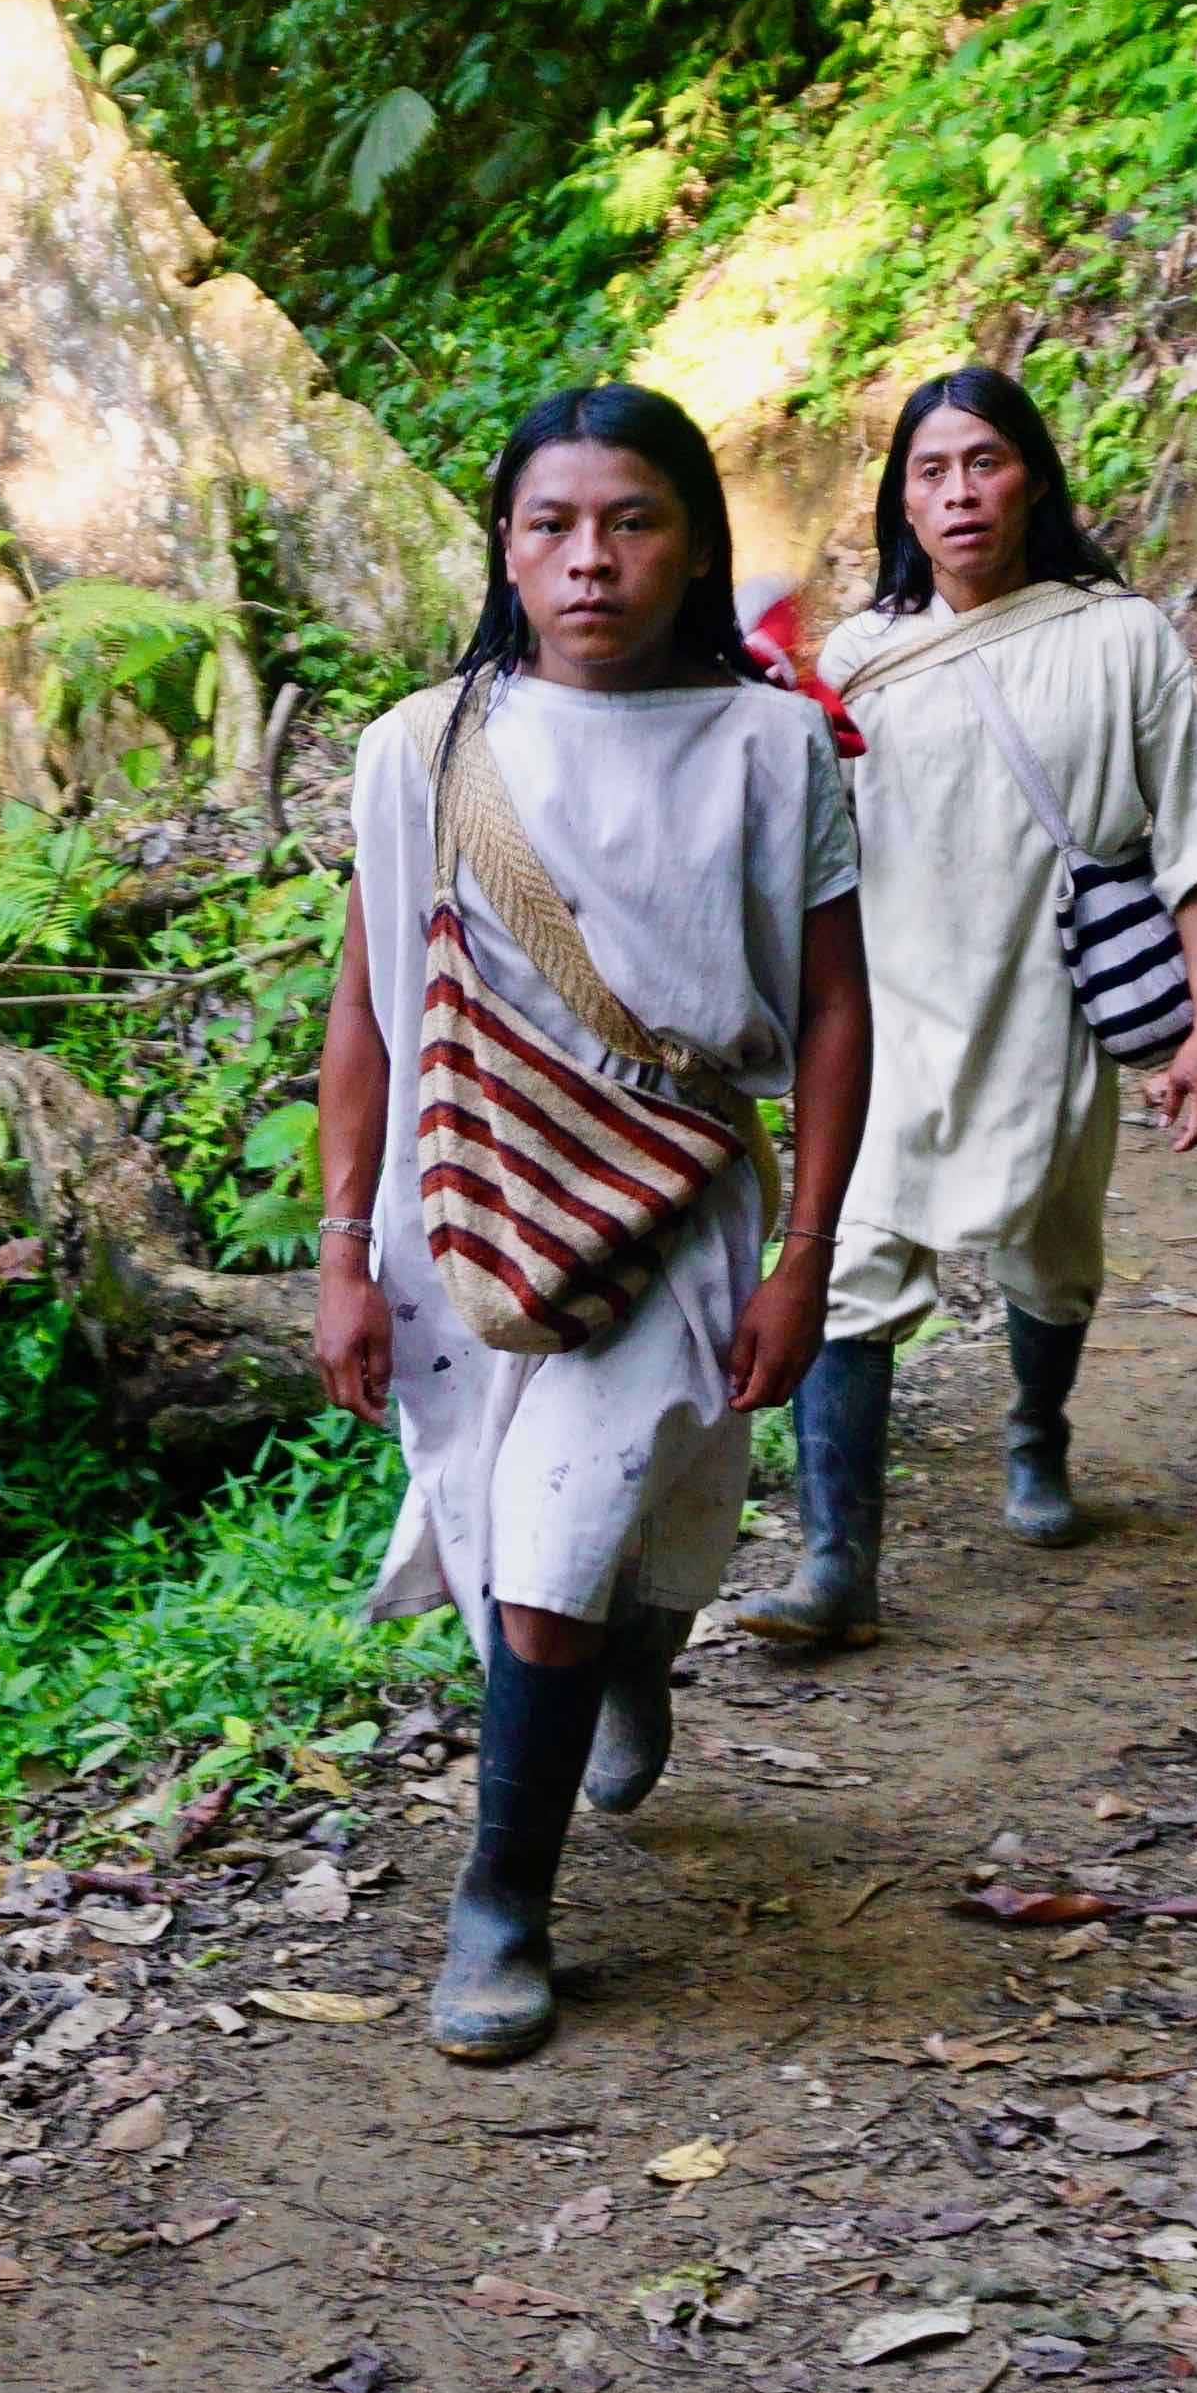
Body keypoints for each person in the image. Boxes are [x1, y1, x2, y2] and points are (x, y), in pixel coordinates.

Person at [311, 385, 873, 2062]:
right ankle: (628, 1655)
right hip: (462, 1211)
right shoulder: (420, 748)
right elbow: (360, 1011)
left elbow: (837, 1012)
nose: (591, 559)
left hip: (671, 1208)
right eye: (552, 525)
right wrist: (339, 1250)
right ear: (505, 545)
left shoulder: (773, 748)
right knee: (513, 1550)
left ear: (694, 543)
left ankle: (501, 1908)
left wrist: (808, 1257)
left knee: (549, 1559)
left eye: (630, 522)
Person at [729, 365, 1197, 1635]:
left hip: (1049, 1013)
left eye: (985, 462)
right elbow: (807, 850)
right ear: (904, 499)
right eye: (931, 471)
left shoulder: (1122, 637)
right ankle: (837, 1565)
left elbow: (1193, 837)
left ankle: (1035, 1431)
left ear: (1035, 477)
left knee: (1053, 1256)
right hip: (892, 1017)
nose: (960, 493)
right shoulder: (859, 657)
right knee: (846, 1270)